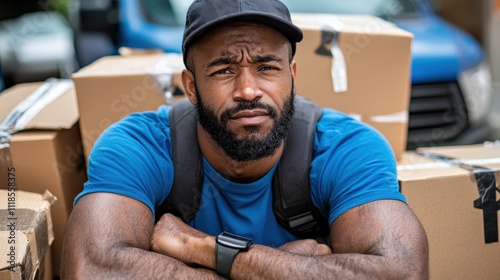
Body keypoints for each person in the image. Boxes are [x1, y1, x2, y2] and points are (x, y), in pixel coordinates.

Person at [61, 0, 429, 279]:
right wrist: (290, 267)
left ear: (293, 76)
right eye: (224, 69)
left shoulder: (346, 147)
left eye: (267, 67)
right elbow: (90, 268)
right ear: (191, 86)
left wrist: (204, 250)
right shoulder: (137, 145)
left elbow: (402, 272)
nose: (249, 90)